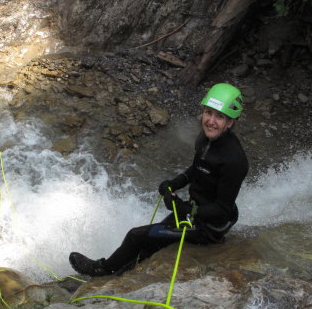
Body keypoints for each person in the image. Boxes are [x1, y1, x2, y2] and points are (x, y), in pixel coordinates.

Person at [69, 83, 249, 276]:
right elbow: (197, 170)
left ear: (230, 122)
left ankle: (101, 269)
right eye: (208, 112)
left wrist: (186, 209)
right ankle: (122, 271)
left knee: (135, 235)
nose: (211, 121)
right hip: (194, 212)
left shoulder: (234, 160)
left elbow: (222, 211)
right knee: (149, 243)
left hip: (208, 228)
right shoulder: (206, 140)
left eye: (219, 117)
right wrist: (175, 183)